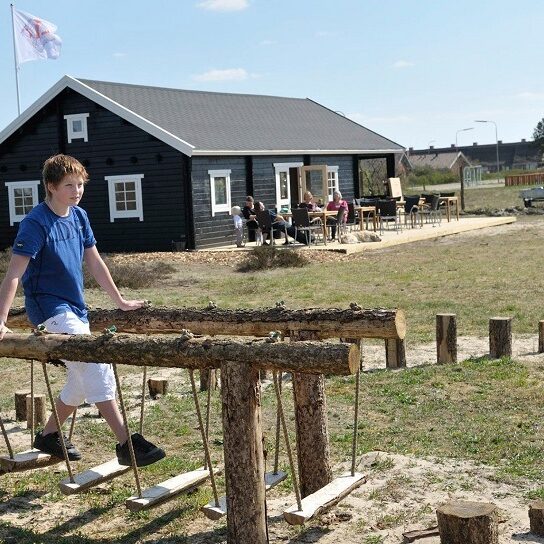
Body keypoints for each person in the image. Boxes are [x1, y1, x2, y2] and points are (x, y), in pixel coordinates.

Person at [0, 154, 165, 467]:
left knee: (80, 379)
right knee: (95, 364)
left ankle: (48, 435)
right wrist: (0, 320)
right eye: (68, 185)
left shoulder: (79, 216)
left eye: (80, 185)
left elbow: (95, 262)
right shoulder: (35, 223)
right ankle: (127, 444)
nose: (76, 191)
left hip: (75, 308)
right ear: (50, 186)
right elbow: (14, 274)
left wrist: (120, 301)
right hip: (49, 310)